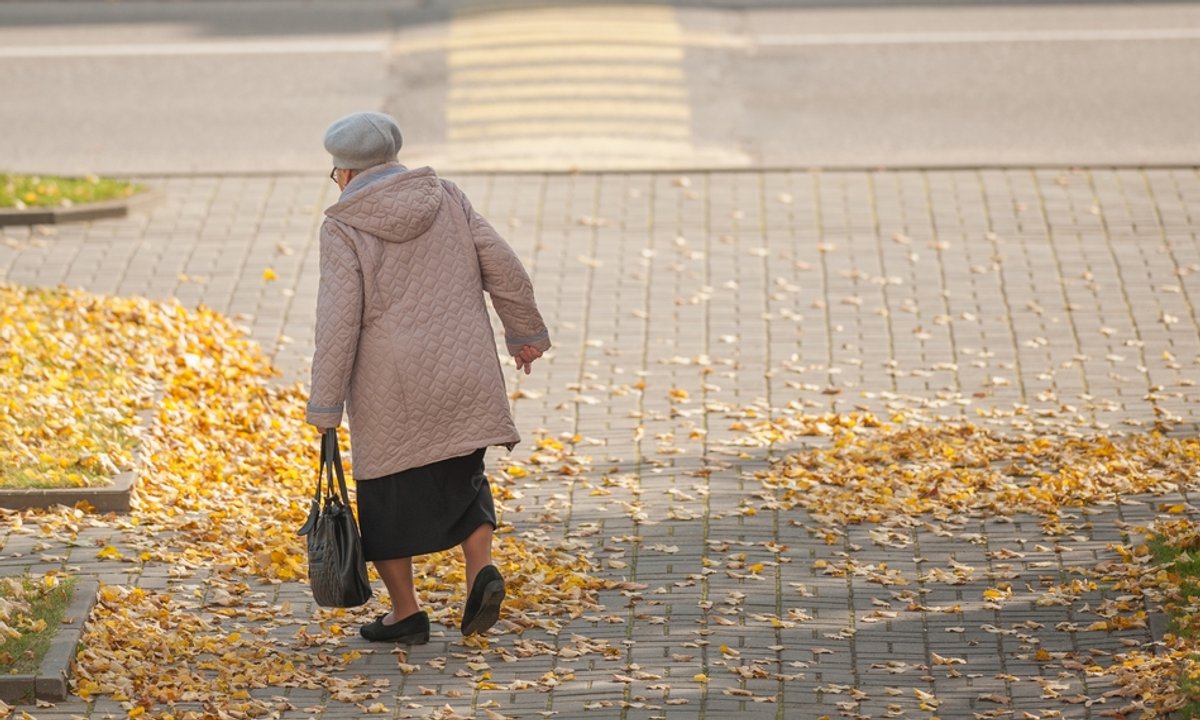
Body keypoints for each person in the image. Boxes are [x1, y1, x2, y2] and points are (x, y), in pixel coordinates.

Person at [305, 111, 550, 643]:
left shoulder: (343, 226)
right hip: (464, 371)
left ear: (345, 172)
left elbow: (338, 321)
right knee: (465, 478)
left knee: (386, 500)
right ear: (394, 158)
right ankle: (479, 572)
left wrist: (325, 407)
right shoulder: (448, 197)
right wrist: (523, 333)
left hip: (391, 389)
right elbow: (503, 266)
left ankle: (407, 614)